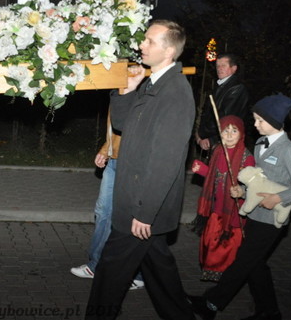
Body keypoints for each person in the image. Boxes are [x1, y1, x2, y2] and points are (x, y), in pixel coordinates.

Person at [85, 20, 196, 320]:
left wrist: (145, 212)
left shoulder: (175, 94)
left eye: (149, 41)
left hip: (141, 205)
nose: (141, 45)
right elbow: (123, 124)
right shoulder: (152, 84)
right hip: (138, 200)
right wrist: (127, 91)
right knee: (159, 271)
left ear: (169, 51)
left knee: (110, 273)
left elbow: (166, 161)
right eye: (144, 39)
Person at [190, 93, 291, 320]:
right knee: (256, 265)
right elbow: (257, 180)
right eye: (255, 119)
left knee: (244, 261)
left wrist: (278, 198)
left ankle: (211, 303)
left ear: (274, 121)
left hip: (272, 218)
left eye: (260, 120)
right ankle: (269, 312)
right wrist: (243, 191)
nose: (255, 125)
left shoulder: (288, 150)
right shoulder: (259, 144)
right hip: (254, 213)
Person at [69, 113, 145, 290]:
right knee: (103, 211)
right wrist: (106, 149)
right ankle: (96, 265)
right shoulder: (117, 94)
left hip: (132, 161)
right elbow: (116, 126)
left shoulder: (142, 95)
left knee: (133, 217)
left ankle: (138, 274)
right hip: (114, 159)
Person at [191, 115, 256, 282]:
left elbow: (253, 187)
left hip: (233, 212)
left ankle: (227, 278)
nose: (229, 135)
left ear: (241, 134)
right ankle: (212, 272)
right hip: (216, 208)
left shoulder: (246, 157)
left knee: (228, 246)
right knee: (210, 241)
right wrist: (202, 169)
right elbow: (215, 176)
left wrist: (241, 191)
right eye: (225, 131)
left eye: (234, 131)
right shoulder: (218, 151)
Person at [196, 54, 250, 151]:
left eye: (223, 65)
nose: (219, 69)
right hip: (215, 139)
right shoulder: (219, 86)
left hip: (225, 141)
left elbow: (225, 117)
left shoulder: (236, 88)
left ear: (234, 68)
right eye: (217, 66)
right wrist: (200, 134)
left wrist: (206, 136)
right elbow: (207, 113)